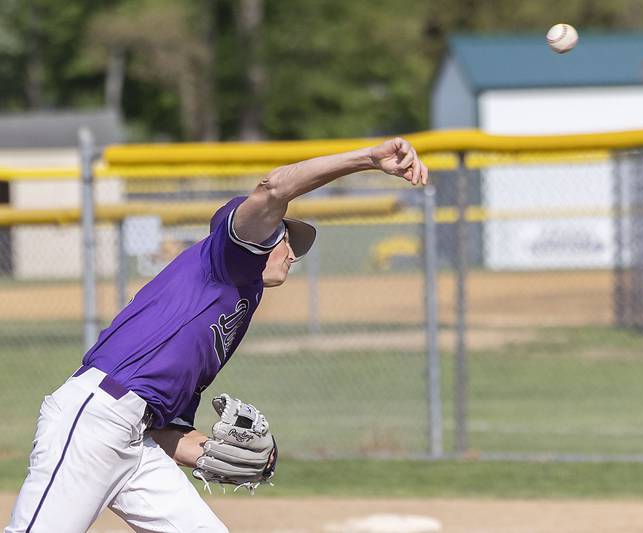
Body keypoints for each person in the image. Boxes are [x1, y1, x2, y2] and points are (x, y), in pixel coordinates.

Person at [5, 137, 428, 533]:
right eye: (286, 240)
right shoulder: (225, 261)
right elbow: (275, 187)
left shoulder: (237, 306)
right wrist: (368, 159)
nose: (293, 253)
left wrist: (228, 455)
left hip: (134, 439)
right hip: (96, 418)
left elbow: (165, 434)